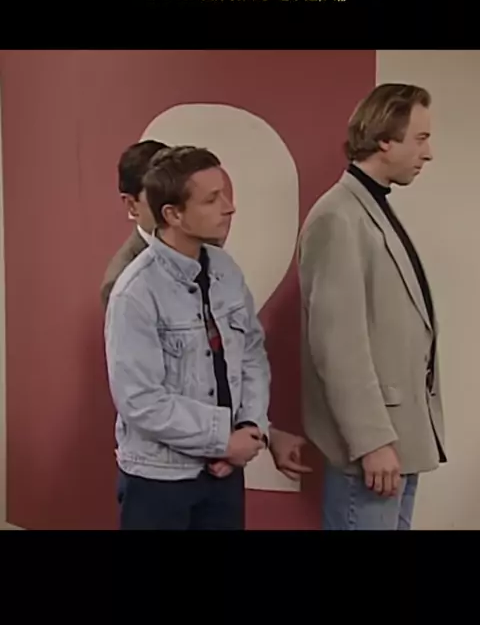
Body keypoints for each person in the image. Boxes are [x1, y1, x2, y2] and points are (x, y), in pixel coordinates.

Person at [104, 145, 308, 529]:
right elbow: (140, 400)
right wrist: (222, 441)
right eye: (212, 199)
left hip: (223, 475)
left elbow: (250, 353)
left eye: (225, 195)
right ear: (173, 214)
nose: (229, 207)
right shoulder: (135, 291)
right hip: (159, 480)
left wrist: (251, 427)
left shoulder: (225, 270)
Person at [298, 83, 446, 530]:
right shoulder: (338, 217)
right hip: (375, 449)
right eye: (420, 138)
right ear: (385, 139)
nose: (428, 153)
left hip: (398, 442)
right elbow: (337, 346)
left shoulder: (368, 208)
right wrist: (371, 442)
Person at [100, 139, 170, 310]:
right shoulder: (120, 283)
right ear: (132, 204)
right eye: (159, 196)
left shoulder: (210, 252)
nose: (174, 207)